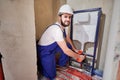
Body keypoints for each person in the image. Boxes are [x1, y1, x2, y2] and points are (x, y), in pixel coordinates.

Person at [37, 4, 85, 80]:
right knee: (51, 75)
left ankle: (61, 65)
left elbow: (67, 38)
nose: (68, 19)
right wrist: (78, 57)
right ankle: (43, 65)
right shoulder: (56, 29)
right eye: (65, 16)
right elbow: (66, 50)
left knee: (68, 46)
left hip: (52, 47)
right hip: (44, 51)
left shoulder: (62, 27)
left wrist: (74, 49)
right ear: (60, 17)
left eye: (70, 17)